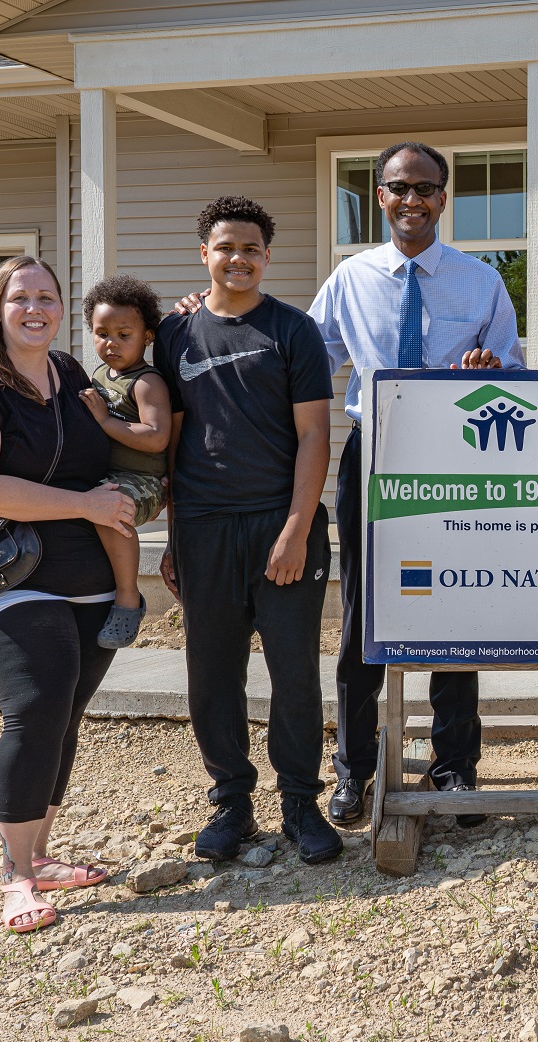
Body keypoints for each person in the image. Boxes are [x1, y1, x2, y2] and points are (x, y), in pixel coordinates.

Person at [309, 141, 523, 828]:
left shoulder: (480, 280)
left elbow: (511, 376)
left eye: (424, 188)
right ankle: (355, 771)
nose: (411, 200)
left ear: (443, 196)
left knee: (453, 612)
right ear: (379, 196)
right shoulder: (350, 278)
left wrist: (489, 368)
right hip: (374, 452)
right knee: (364, 620)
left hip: (454, 455)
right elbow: (308, 358)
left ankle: (454, 767)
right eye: (398, 188)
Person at [0, 255, 135, 933]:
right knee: (37, 704)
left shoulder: (68, 372)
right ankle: (16, 876)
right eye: (21, 298)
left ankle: (40, 856)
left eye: (47, 297)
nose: (35, 309)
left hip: (87, 579)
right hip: (3, 577)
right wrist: (83, 505)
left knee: (65, 713)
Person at [154, 196, 341, 866]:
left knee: (294, 673)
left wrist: (294, 530)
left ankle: (300, 802)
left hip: (280, 524)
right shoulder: (171, 335)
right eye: (225, 247)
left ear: (268, 257)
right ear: (203, 253)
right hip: (205, 528)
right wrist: (175, 537)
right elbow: (168, 445)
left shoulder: (292, 331)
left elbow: (315, 434)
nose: (239, 259)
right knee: (211, 674)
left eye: (252, 249)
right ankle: (231, 802)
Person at [76, 275, 170, 648]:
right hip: (108, 475)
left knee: (111, 509)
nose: (110, 343)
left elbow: (157, 437)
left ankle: (129, 597)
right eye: (101, 334)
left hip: (143, 479)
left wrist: (104, 420)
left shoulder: (146, 383)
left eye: (123, 334)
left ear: (147, 336)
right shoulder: (100, 375)